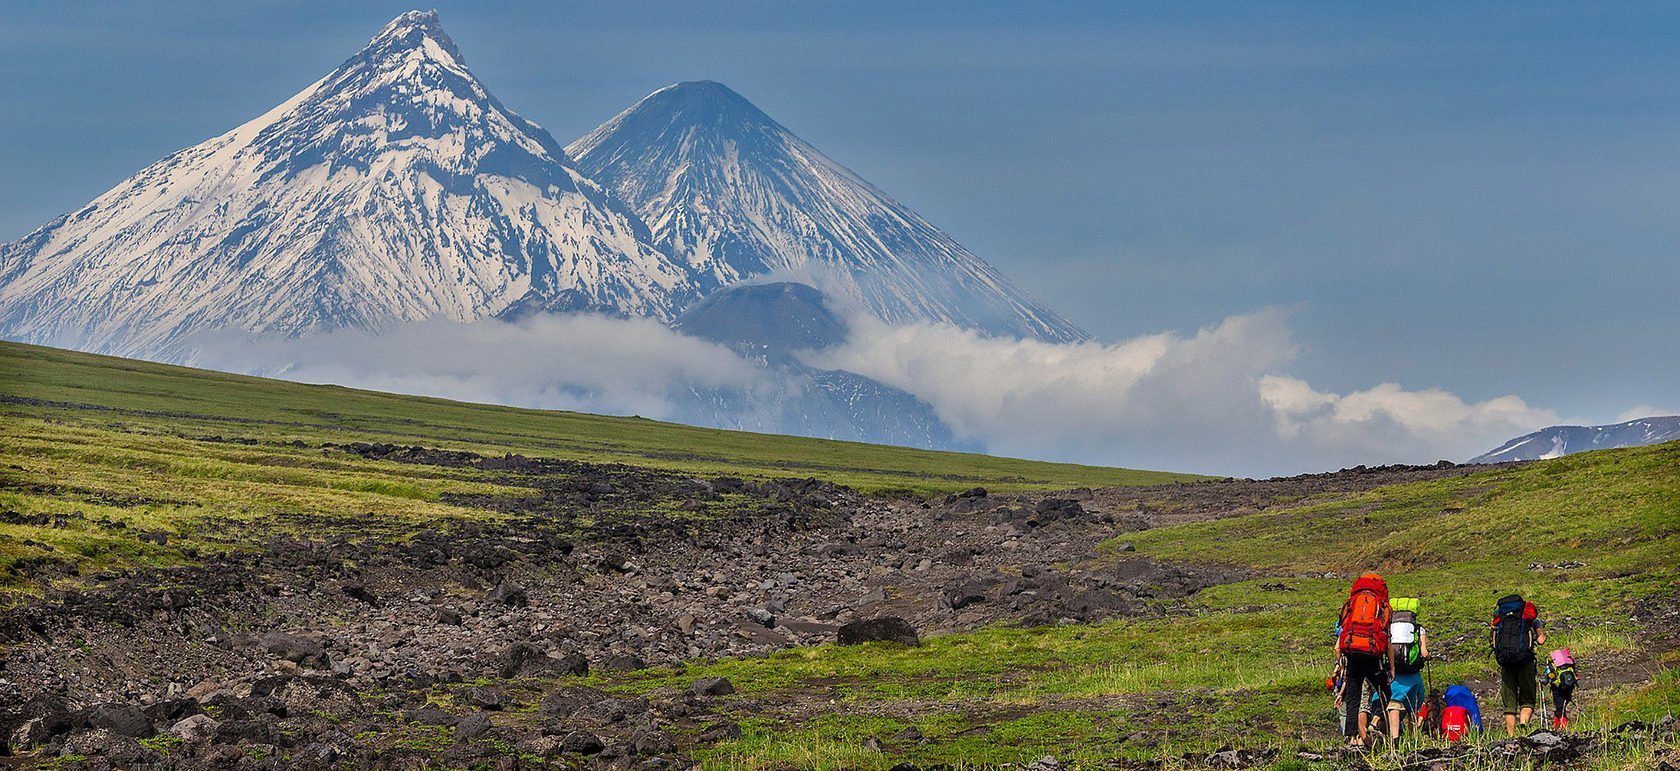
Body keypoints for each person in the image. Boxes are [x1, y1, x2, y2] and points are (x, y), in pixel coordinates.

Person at [1336, 573, 1392, 748]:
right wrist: (1392, 667)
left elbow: (1338, 645)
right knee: (1386, 693)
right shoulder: (1382, 606)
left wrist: (1341, 665)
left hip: (1353, 658)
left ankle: (1352, 738)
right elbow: (1388, 641)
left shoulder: (1351, 605)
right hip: (1373, 658)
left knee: (1353, 698)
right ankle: (1374, 724)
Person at [1491, 593, 1546, 736]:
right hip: (1524, 660)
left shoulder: (1501, 617)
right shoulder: (1531, 619)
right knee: (1527, 699)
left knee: (1509, 704)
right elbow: (1541, 640)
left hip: (1506, 662)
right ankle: (1523, 725)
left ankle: (1510, 736)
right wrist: (1537, 634)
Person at [1386, 597, 1429, 738]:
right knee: (1413, 706)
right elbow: (1424, 652)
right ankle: (1413, 737)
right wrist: (1427, 656)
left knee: (1394, 704)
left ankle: (1394, 737)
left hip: (1394, 672)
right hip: (1412, 674)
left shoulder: (1389, 627)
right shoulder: (1418, 628)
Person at [1545, 648, 1578, 729]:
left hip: (1557, 689)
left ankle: (1563, 728)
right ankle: (1557, 727)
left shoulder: (1551, 665)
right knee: (1561, 707)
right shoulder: (1569, 662)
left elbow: (1546, 680)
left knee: (1559, 708)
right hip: (1569, 687)